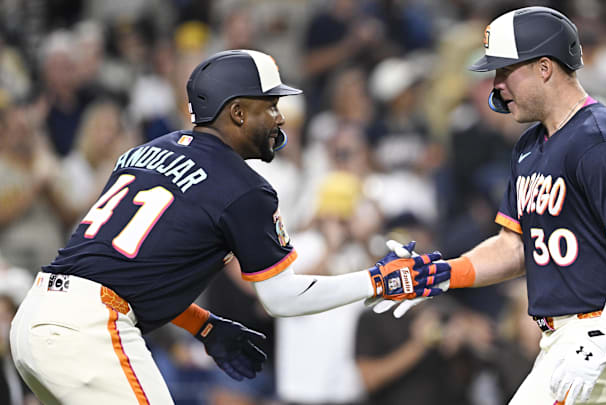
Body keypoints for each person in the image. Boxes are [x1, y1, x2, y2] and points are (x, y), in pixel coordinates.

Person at [8, 49, 449, 404]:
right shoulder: (244, 188)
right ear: (237, 112)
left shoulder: (141, 153)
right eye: (270, 106)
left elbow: (119, 268)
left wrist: (203, 324)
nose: (279, 118)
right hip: (89, 331)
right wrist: (381, 280)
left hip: (37, 317)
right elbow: (283, 297)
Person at [420, 7, 606, 405]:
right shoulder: (529, 147)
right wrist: (444, 274)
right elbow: (513, 247)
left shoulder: (600, 138)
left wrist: (602, 340)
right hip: (562, 337)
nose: (496, 86)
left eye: (504, 71)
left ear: (545, 68)